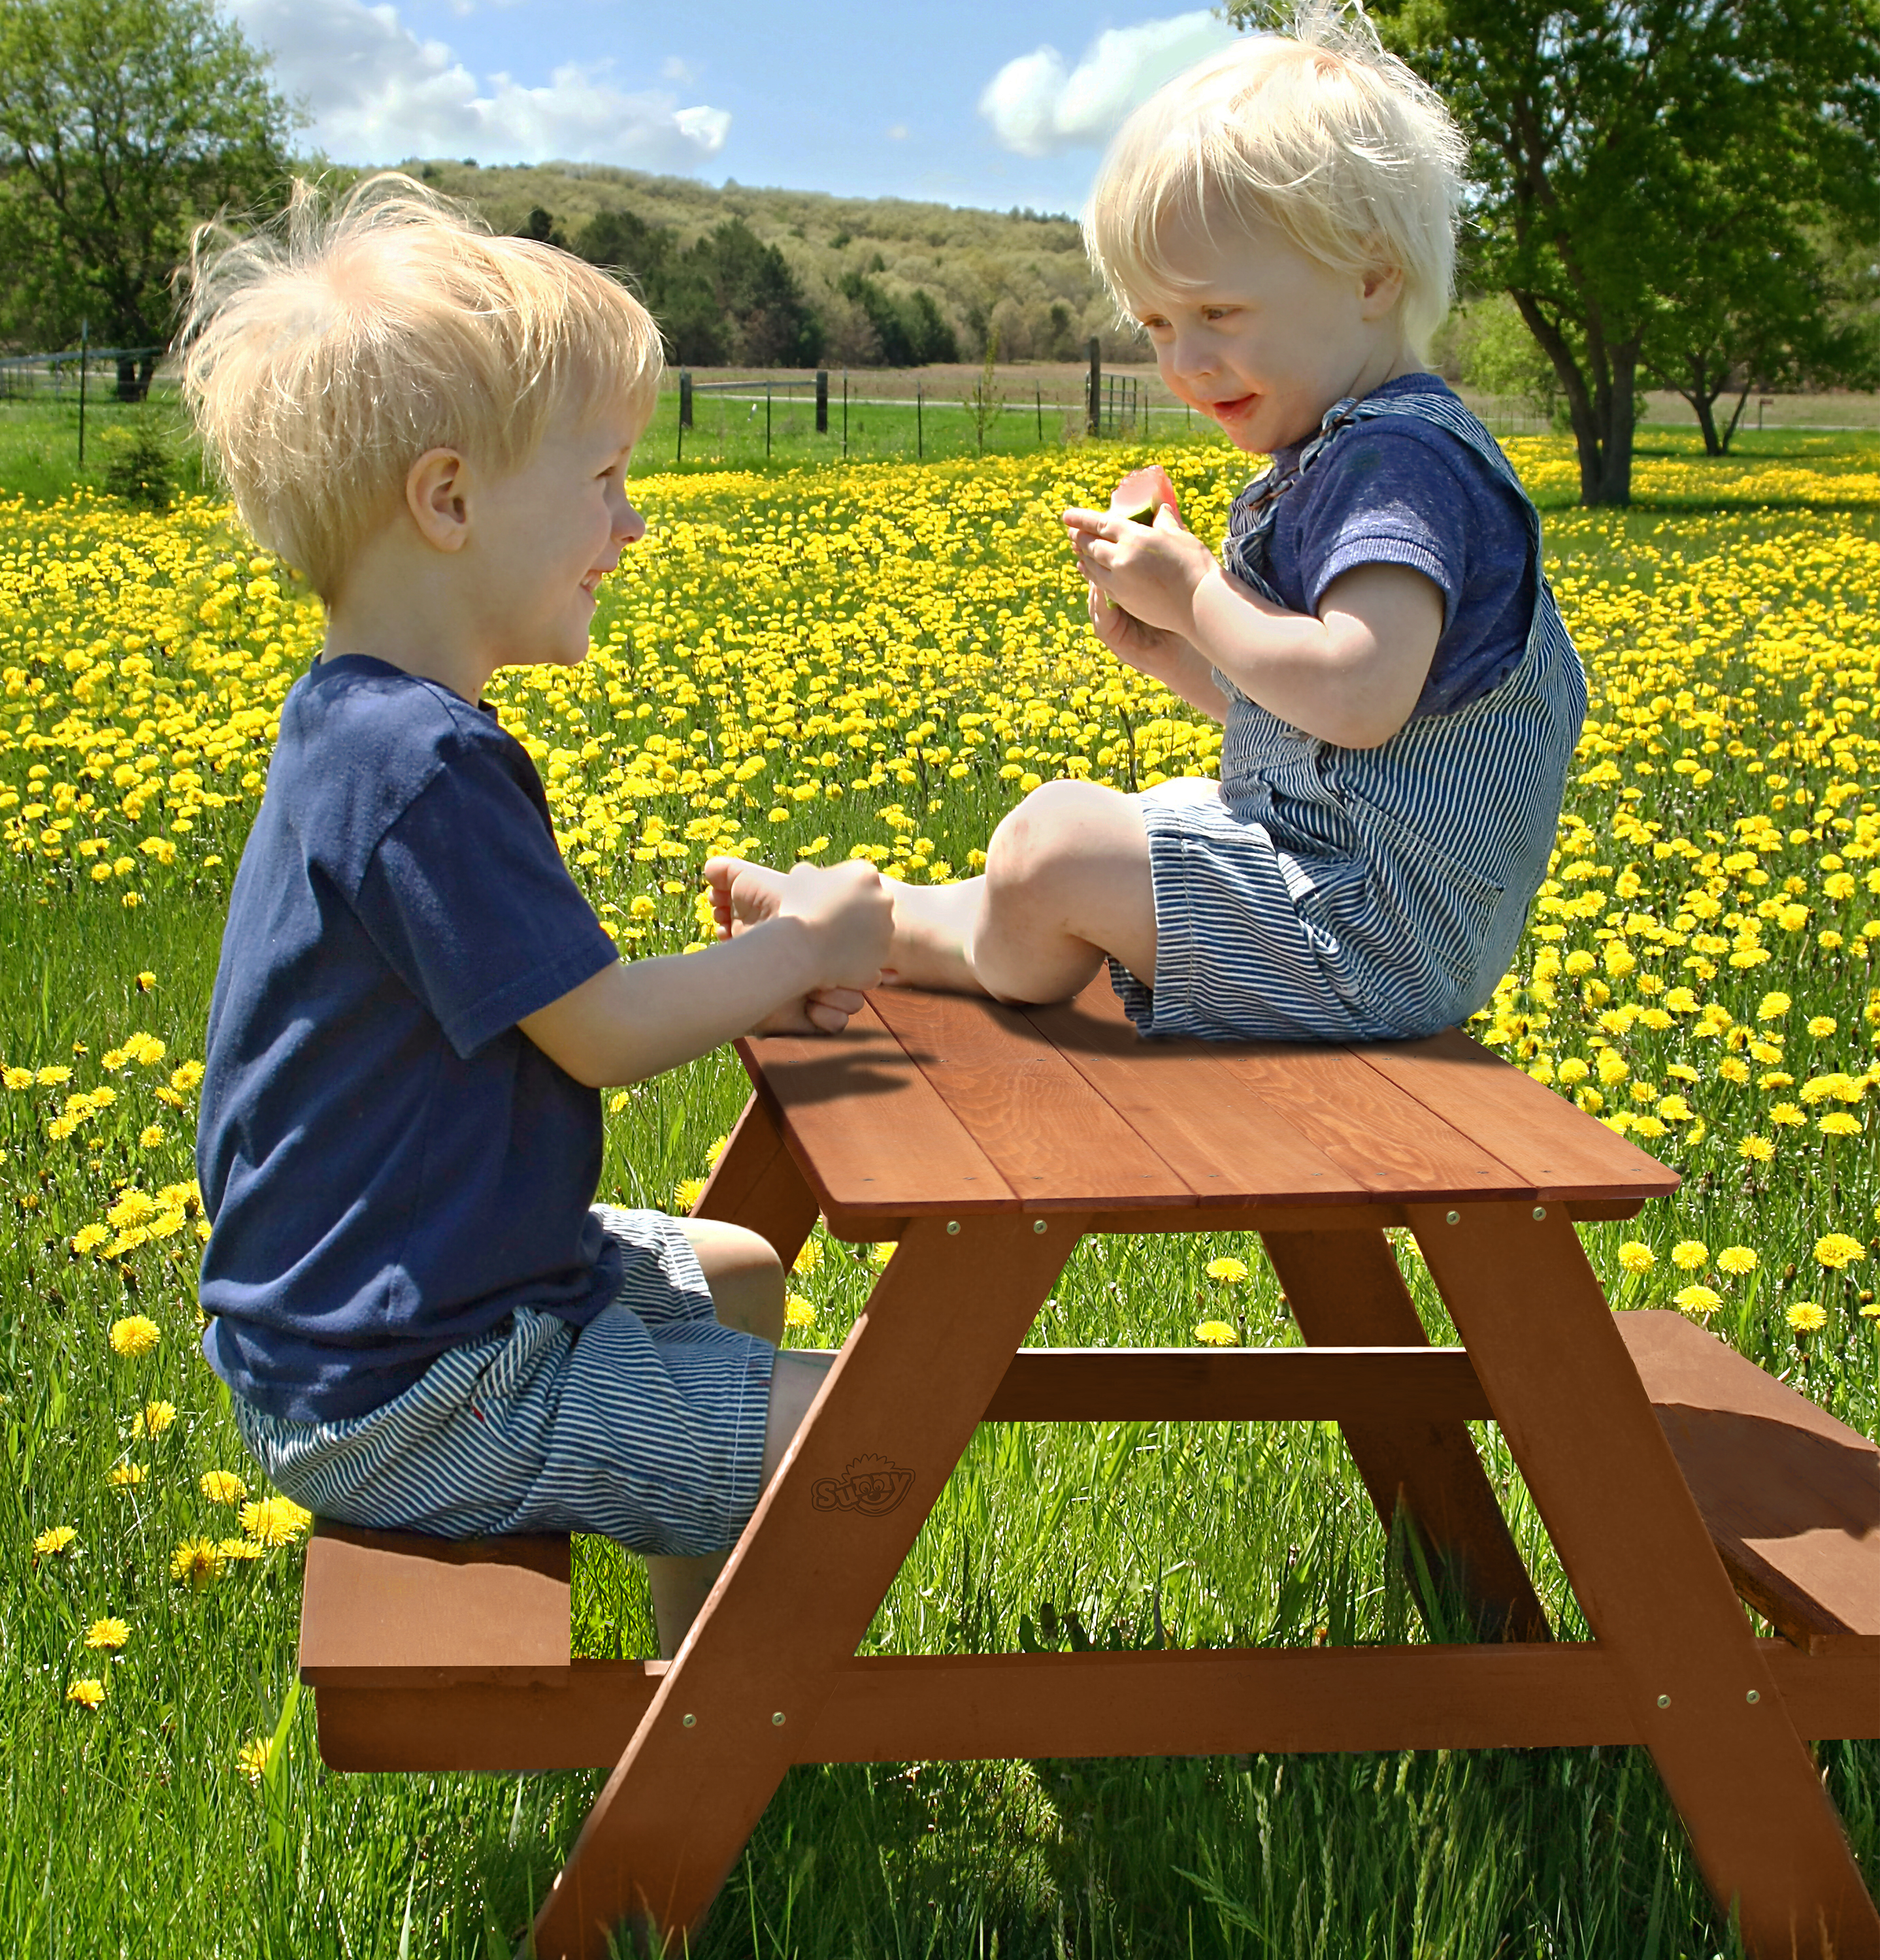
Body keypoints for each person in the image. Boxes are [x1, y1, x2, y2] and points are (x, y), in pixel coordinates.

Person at [178, 174, 893, 1658]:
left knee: (744, 1272)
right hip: (414, 1385)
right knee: (871, 1435)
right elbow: (604, 1035)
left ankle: (695, 1690)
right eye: (606, 478)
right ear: (447, 501)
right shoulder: (424, 761)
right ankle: (720, 1765)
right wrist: (805, 948)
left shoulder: (355, 721)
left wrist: (767, 966)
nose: (630, 525)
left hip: (381, 1317)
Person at [711, 18, 1585, 1044]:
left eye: (1218, 311)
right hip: (1340, 899)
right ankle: (854, 926)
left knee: (1056, 844)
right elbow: (1325, 738)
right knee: (1055, 857)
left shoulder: (1400, 467)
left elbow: (1357, 693)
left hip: (1368, 936)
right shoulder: (1349, 457)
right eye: (1159, 325)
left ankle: (877, 934)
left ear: (1370, 277)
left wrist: (1198, 596)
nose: (1185, 362)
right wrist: (1171, 648)